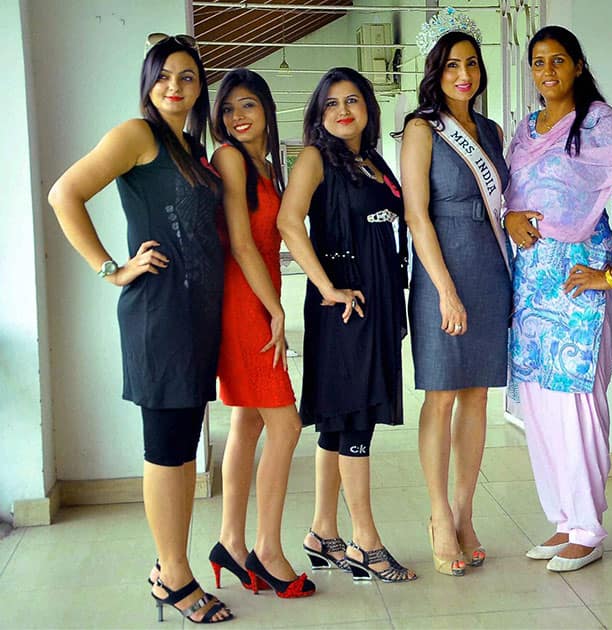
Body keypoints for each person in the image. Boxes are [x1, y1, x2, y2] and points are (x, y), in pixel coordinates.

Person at [47, 34, 232, 623]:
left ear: (200, 87)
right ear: (148, 84)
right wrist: (112, 269)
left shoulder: (191, 147)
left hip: (196, 321)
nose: (175, 87)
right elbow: (64, 194)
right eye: (164, 76)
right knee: (165, 452)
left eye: (187, 77)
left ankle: (169, 567)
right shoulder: (139, 134)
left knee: (183, 453)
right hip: (158, 318)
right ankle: (173, 576)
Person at [504, 25, 612, 573]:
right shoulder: (525, 130)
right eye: (538, 62)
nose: (547, 71)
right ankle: (562, 520)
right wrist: (508, 218)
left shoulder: (600, 122)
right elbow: (507, 195)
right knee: (541, 408)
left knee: (577, 407)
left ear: (576, 65)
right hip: (530, 292)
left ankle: (588, 528)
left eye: (557, 61)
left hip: (578, 292)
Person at [277, 67, 415, 584]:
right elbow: (289, 221)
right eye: (331, 102)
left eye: (352, 100)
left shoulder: (374, 161)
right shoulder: (315, 157)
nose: (342, 110)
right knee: (354, 415)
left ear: (368, 110)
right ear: (318, 113)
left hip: (377, 295)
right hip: (346, 301)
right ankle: (366, 543)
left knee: (338, 420)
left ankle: (322, 533)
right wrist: (327, 286)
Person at [399, 8, 509, 576]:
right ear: (435, 72)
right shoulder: (421, 128)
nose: (463, 74)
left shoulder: (489, 131)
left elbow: (504, 206)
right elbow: (416, 215)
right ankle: (439, 514)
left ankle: (466, 511)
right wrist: (443, 290)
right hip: (441, 269)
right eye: (451, 66)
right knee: (441, 394)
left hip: (489, 268)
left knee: (479, 394)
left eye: (470, 64)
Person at [208, 68, 315, 598]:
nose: (238, 117)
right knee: (286, 425)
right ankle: (267, 550)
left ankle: (230, 541)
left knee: (247, 421)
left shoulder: (265, 165)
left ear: (267, 110)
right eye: (228, 110)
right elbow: (242, 243)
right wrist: (275, 309)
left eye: (247, 105)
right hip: (243, 298)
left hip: (257, 293)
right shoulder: (229, 158)